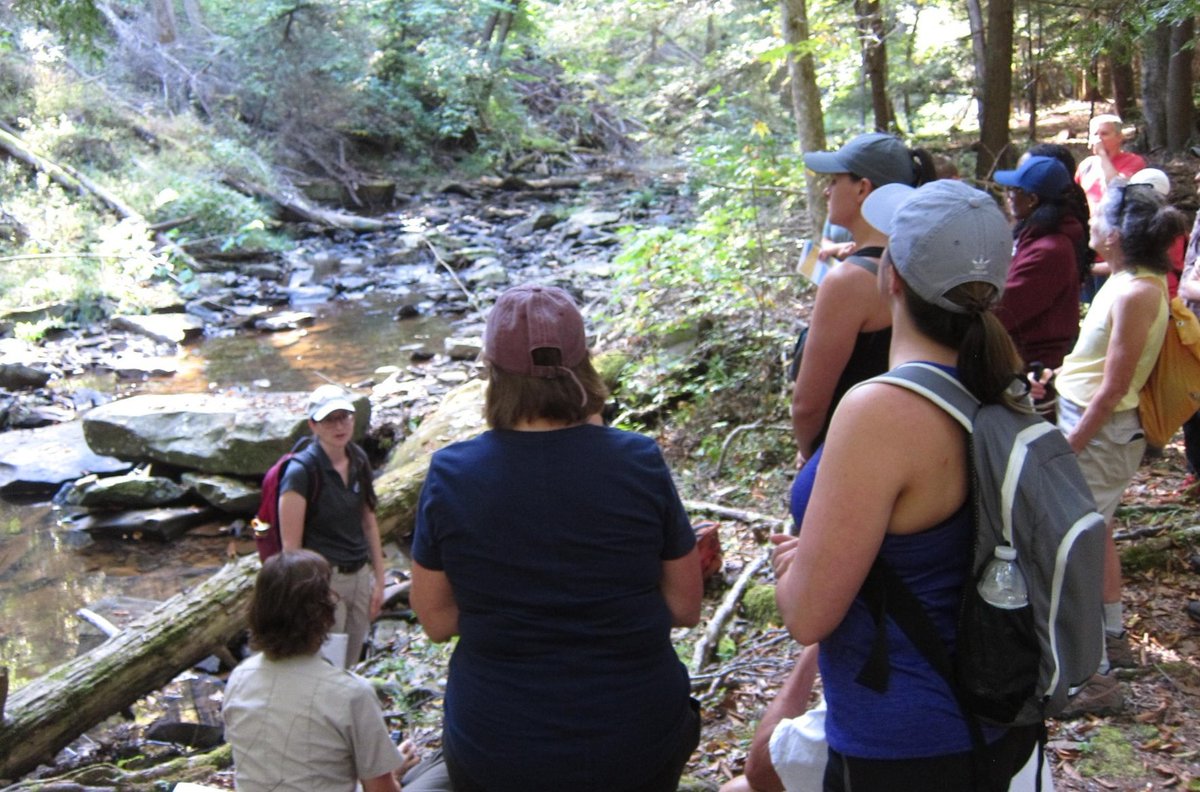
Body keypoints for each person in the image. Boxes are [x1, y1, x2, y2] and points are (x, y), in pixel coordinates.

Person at [773, 179, 1044, 790]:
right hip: (997, 719)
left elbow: (808, 616)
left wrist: (791, 568)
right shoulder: (1003, 387)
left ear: (889, 275)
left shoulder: (879, 413)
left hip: (908, 742)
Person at [409, 283, 703, 792]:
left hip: (498, 745)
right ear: (585, 363)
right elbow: (685, 606)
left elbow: (435, 621)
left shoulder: (452, 473)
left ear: (492, 371)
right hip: (636, 738)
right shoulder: (638, 460)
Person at [1051, 178, 1187, 714]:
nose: (1093, 221)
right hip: (1092, 425)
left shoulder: (1137, 293)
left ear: (1118, 234)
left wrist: (1069, 447)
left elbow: (1112, 388)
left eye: (1101, 215)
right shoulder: (1126, 279)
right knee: (1097, 530)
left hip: (1101, 434)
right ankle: (1112, 638)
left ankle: (1096, 676)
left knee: (1076, 542)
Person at [223, 549, 451, 792]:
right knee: (445, 765)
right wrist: (392, 773)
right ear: (324, 614)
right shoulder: (350, 693)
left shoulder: (239, 678)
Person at [791, 132, 937, 463]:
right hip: (906, 448)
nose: (827, 191)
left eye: (834, 181)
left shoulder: (849, 282)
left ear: (862, 189)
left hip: (853, 454)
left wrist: (810, 456)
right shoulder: (919, 262)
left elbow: (807, 406)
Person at [279, 384, 388, 668]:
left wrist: (379, 579)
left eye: (344, 417)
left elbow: (368, 522)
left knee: (350, 662)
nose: (339, 426)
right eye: (329, 419)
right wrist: (312, 594)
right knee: (326, 664)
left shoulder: (358, 459)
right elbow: (291, 549)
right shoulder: (300, 472)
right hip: (325, 582)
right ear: (313, 425)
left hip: (360, 575)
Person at [993, 155, 1083, 420]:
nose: (1008, 196)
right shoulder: (1035, 238)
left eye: (1014, 190)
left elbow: (1004, 309)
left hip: (1035, 374)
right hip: (1022, 364)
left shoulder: (1049, 251)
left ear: (1032, 199)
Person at [1075, 115, 1146, 302]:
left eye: (1104, 134)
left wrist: (1102, 156)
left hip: (1116, 246)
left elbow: (1117, 187)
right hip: (1089, 244)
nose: (1098, 139)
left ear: (1119, 137)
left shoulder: (1134, 162)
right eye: (1094, 134)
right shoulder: (1086, 166)